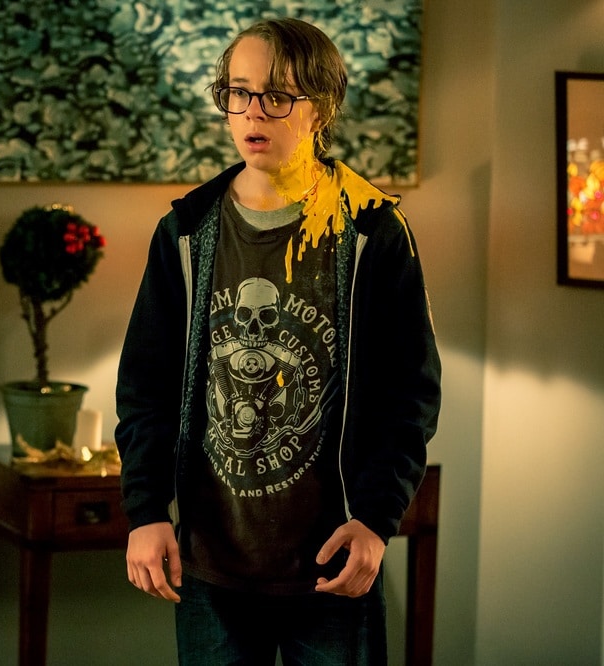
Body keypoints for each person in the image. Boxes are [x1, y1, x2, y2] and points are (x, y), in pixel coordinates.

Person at [115, 17, 441, 665]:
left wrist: (377, 520)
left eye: (277, 96)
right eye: (238, 92)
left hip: (331, 563)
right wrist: (145, 510)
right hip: (211, 565)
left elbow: (411, 395)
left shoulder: (372, 231)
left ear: (320, 107)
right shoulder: (186, 232)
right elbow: (145, 385)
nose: (252, 112)